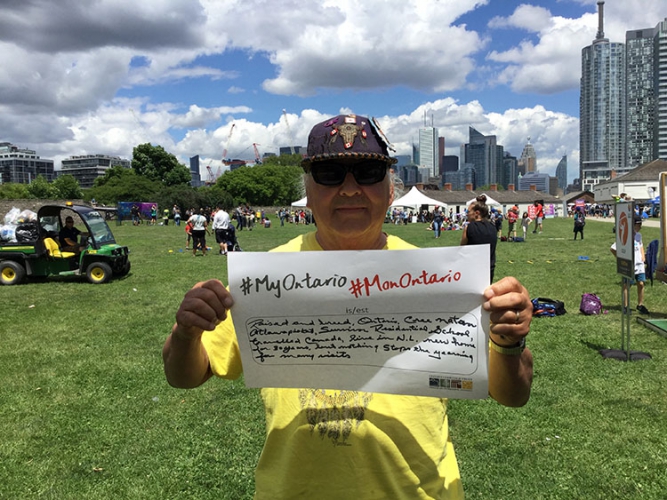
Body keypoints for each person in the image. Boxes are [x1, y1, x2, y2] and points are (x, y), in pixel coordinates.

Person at [163, 113, 533, 500]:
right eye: (331, 174)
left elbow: (513, 394)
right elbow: (184, 376)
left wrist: (509, 342)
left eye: (368, 174)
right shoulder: (263, 280)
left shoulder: (441, 283)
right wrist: (186, 332)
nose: (350, 189)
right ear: (308, 190)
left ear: (390, 190)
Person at [610, 217, 649, 315]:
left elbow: (640, 246)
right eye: (638, 224)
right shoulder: (625, 236)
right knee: (627, 285)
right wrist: (620, 260)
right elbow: (613, 249)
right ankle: (626, 306)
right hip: (629, 265)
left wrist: (643, 257)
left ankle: (640, 305)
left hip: (639, 264)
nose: (639, 226)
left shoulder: (639, 235)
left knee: (641, 283)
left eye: (640, 224)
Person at [460, 195, 499, 282]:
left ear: (477, 213)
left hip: (472, 268)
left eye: (468, 211)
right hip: (489, 268)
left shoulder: (469, 227)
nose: (467, 213)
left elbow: (461, 247)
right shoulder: (493, 227)